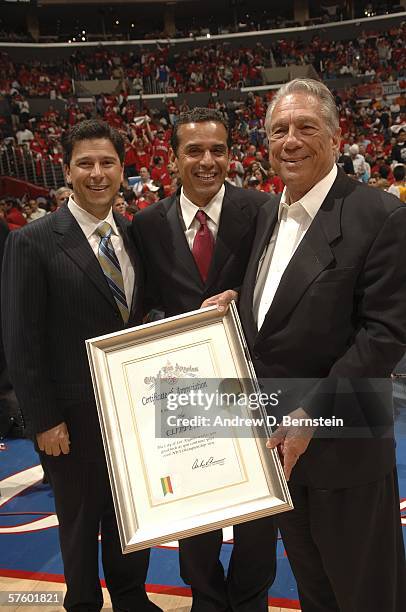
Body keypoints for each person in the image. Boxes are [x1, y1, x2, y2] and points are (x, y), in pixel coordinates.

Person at [211, 78, 406, 612]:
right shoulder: (264, 217)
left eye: (305, 128)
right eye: (279, 130)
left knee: (368, 597)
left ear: (336, 137)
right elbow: (277, 315)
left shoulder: (379, 216)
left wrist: (311, 416)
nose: (290, 140)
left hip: (344, 448)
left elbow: (384, 334)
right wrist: (236, 306)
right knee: (315, 595)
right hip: (279, 451)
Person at [1, 120, 161, 612]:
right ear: (67, 171)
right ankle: (83, 602)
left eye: (107, 162)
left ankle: (131, 596)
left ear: (122, 170)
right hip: (69, 417)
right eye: (85, 163)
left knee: (130, 514)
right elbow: (20, 341)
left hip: (132, 412)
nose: (97, 173)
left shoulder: (134, 235)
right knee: (78, 519)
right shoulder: (33, 240)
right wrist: (44, 420)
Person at [132, 107, 276, 611]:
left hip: (253, 386)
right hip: (184, 391)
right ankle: (208, 600)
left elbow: (277, 290)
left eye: (218, 150)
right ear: (172, 159)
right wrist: (172, 329)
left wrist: (242, 297)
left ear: (232, 155)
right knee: (197, 517)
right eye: (194, 150)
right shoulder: (146, 224)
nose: (207, 160)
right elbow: (142, 302)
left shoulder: (263, 209)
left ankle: (250, 601)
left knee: (257, 518)